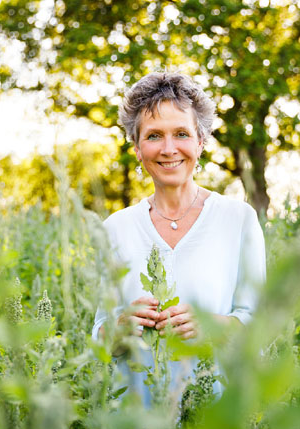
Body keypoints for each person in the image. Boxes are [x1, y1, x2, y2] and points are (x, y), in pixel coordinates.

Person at [92, 72, 266, 406]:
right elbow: (98, 335)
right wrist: (118, 328)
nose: (169, 149)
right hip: (134, 426)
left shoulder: (239, 220)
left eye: (182, 134)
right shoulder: (115, 228)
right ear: (138, 148)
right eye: (154, 135)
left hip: (213, 422)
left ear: (201, 141)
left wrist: (215, 326)